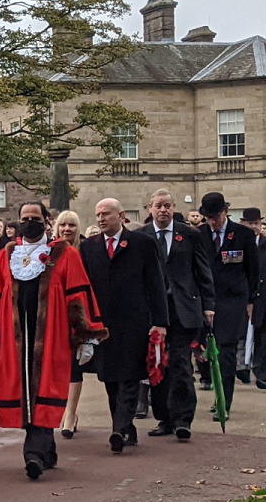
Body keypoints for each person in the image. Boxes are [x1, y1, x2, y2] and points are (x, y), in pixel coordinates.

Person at [0, 201, 107, 479]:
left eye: (35, 218)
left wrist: (86, 336)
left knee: (46, 388)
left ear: (46, 221)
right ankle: (45, 450)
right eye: (25, 218)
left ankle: (33, 453)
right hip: (16, 338)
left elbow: (78, 295)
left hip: (51, 336)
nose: (29, 222)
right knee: (22, 391)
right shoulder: (7, 254)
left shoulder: (65, 254)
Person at [79, 199, 169, 454]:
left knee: (129, 376)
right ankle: (125, 426)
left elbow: (156, 284)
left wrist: (160, 322)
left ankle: (118, 429)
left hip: (134, 321)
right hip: (103, 324)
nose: (101, 219)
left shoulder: (142, 244)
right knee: (110, 378)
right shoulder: (89, 248)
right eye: (98, 215)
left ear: (121, 216)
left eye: (106, 214)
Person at [143, 190, 215, 441]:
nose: (163, 210)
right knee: (157, 364)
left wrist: (209, 305)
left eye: (167, 206)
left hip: (183, 309)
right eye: (158, 206)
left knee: (181, 364)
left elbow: (203, 271)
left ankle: (183, 419)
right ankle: (165, 417)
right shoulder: (142, 237)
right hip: (153, 311)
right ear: (149, 208)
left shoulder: (190, 235)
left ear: (173, 208)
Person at [199, 192, 259, 418]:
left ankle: (224, 401)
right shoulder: (199, 235)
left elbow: (253, 270)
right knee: (208, 351)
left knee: (226, 349)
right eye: (209, 218)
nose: (213, 222)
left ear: (226, 212)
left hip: (233, 299)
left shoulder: (242, 234)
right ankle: (215, 393)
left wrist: (252, 300)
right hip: (206, 298)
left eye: (217, 216)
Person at [52, 211, 85, 438]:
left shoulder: (87, 251)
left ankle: (70, 415)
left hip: (78, 316)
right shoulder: (50, 252)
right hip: (54, 317)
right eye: (63, 225)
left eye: (72, 225)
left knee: (75, 367)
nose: (67, 229)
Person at [243, 208, 266, 389]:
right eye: (250, 224)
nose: (253, 227)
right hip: (240, 297)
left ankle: (260, 372)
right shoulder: (237, 242)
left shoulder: (264, 244)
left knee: (262, 336)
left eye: (256, 224)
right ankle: (241, 367)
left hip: (261, 297)